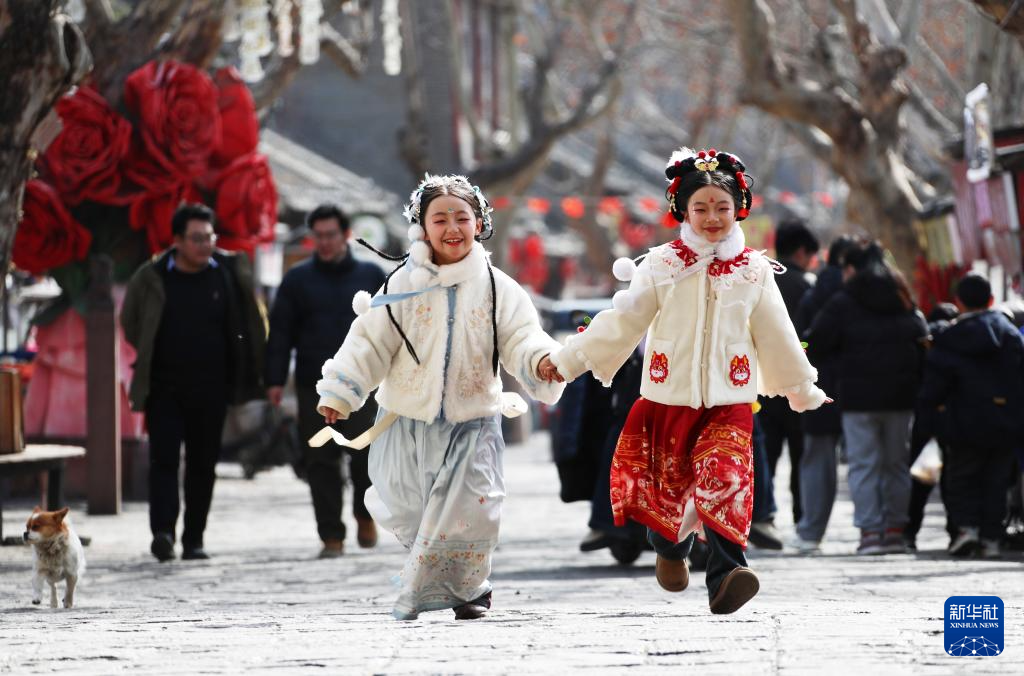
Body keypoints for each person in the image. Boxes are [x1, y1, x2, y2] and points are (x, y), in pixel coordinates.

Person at [550, 147, 828, 614]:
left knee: (727, 479)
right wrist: (570, 359)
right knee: (669, 488)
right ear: (682, 210)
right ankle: (669, 547)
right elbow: (624, 321)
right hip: (668, 396)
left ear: (739, 208)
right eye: (701, 208)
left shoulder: (755, 269)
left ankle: (727, 575)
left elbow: (776, 332)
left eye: (722, 207)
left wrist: (801, 387)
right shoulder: (660, 264)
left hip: (730, 399)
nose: (712, 217)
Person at [315, 174, 565, 620]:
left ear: (479, 223)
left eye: (462, 218)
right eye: (440, 219)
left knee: (470, 508)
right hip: (405, 420)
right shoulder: (402, 285)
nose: (452, 228)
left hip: (473, 420)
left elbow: (523, 337)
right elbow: (369, 342)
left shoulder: (499, 288)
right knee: (413, 510)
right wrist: (341, 390)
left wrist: (542, 360)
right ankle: (449, 580)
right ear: (422, 228)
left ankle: (468, 588)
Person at [121, 203, 266, 562]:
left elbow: (250, 321)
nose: (205, 245)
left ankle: (194, 539)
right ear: (177, 241)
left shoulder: (228, 272)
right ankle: (163, 533)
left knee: (203, 465)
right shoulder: (152, 276)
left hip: (212, 389)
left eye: (209, 237)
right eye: (196, 238)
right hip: (164, 388)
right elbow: (131, 322)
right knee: (164, 461)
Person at [265, 204, 387, 558]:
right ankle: (331, 534)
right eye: (318, 236)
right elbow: (280, 333)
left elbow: (392, 328)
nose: (325, 242)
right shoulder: (297, 280)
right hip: (313, 385)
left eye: (331, 235)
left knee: (365, 454)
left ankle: (365, 514)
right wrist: (274, 379)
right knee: (320, 460)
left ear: (346, 235)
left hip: (364, 384)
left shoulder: (371, 275)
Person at [805, 240, 927, 555]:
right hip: (900, 397)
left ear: (849, 269)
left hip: (857, 398)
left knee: (863, 464)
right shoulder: (901, 295)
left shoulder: (844, 300)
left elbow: (816, 341)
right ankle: (895, 531)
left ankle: (870, 533)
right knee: (897, 463)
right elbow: (920, 334)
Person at [917, 274, 1024, 558]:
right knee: (997, 480)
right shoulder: (1010, 334)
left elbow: (935, 383)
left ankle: (967, 530)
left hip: (962, 419)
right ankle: (992, 538)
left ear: (959, 302)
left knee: (962, 476)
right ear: (991, 300)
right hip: (1005, 420)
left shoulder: (950, 337)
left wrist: (927, 416)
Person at [787, 234, 856, 553]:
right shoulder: (871, 292)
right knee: (875, 460)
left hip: (821, 386)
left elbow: (800, 342)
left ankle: (811, 531)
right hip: (865, 388)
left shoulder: (814, 294)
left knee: (817, 458)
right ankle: (882, 531)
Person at [757, 218, 819, 528]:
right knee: (800, 454)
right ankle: (801, 516)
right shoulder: (807, 286)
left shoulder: (759, 280)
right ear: (801, 252)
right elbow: (812, 337)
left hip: (761, 383)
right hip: (796, 381)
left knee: (763, 453)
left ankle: (761, 515)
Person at [904, 302, 959, 551]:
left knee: (920, 480)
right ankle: (955, 532)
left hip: (925, 422)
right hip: (954, 421)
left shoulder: (922, 344)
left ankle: (910, 533)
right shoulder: (958, 343)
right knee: (951, 481)